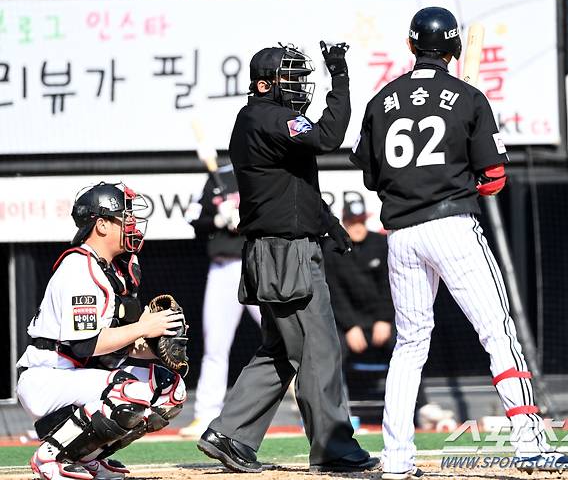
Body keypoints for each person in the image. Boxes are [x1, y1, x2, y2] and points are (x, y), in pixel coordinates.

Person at [350, 7, 568, 479]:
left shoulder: (382, 99)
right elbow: (494, 180)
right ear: (453, 49)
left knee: (410, 346)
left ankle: (396, 459)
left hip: (402, 234)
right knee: (498, 333)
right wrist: (460, 176)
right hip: (452, 224)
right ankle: (530, 446)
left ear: (411, 46)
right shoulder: (468, 97)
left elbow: (371, 177)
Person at [196, 41, 379, 474]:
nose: (299, 86)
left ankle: (230, 434)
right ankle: (334, 448)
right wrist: (341, 78)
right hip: (286, 252)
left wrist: (329, 225)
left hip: (274, 249)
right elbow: (329, 136)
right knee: (319, 350)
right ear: (264, 84)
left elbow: (291, 188)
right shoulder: (270, 116)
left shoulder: (260, 119)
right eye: (290, 78)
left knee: (281, 351)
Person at [16, 182, 187, 480]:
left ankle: (85, 455)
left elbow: (116, 344)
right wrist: (144, 326)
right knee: (129, 391)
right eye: (124, 217)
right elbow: (84, 346)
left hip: (78, 375)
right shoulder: (79, 267)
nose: (132, 224)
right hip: (48, 377)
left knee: (169, 389)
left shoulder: (116, 269)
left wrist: (154, 342)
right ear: (102, 225)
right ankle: (52, 456)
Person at [322, 196, 454, 431]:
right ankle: (336, 415)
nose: (357, 226)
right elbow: (333, 293)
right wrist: (350, 326)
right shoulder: (332, 248)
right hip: (348, 325)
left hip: (380, 321)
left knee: (408, 344)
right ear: (344, 221)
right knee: (331, 350)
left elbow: (390, 286)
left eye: (360, 221)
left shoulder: (381, 244)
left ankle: (420, 407)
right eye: (352, 221)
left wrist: (383, 320)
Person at [179, 166, 261, 438]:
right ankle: (206, 414)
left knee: (289, 336)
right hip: (224, 267)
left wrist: (246, 218)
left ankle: (312, 411)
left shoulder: (261, 170)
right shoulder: (218, 179)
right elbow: (193, 219)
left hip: (258, 264)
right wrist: (217, 220)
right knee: (215, 344)